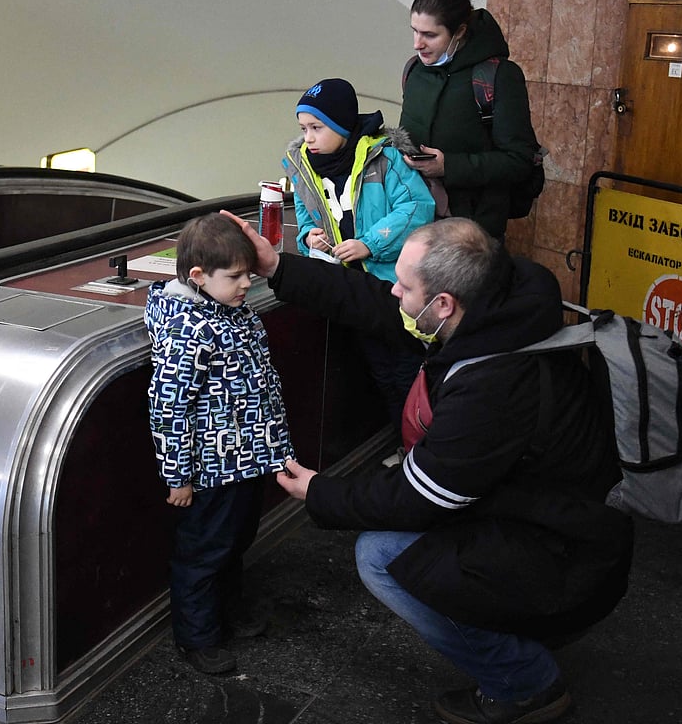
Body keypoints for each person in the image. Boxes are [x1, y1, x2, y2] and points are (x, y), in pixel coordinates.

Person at [223, 210, 634, 724]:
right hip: (542, 510)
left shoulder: (496, 383)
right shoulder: (499, 308)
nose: (393, 292)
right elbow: (373, 304)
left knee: (380, 555)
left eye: (403, 285)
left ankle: (526, 683)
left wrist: (321, 492)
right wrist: (276, 265)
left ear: (443, 304)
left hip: (565, 554)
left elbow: (425, 496)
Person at [144, 213, 295, 675]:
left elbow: (259, 387)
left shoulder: (233, 312)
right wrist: (178, 477)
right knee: (204, 552)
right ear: (197, 276)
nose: (247, 283)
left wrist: (275, 449)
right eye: (235, 276)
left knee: (234, 540)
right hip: (210, 469)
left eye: (249, 274)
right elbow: (168, 408)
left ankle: (228, 613)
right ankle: (198, 637)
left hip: (246, 458)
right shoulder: (189, 332)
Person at [282, 77, 436, 434]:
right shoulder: (303, 166)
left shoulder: (385, 159)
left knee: (407, 367)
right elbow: (306, 214)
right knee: (379, 370)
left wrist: (370, 243)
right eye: (304, 128)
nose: (308, 138)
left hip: (393, 286)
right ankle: (397, 440)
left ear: (341, 125)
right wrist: (310, 236)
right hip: (350, 287)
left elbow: (416, 206)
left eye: (317, 128)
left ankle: (416, 446)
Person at [399, 0, 537, 241]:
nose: (418, 44)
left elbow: (520, 160)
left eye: (430, 35)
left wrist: (449, 166)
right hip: (414, 217)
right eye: (414, 31)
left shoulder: (498, 76)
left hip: (473, 228)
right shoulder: (413, 71)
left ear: (459, 31)